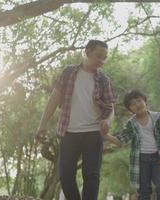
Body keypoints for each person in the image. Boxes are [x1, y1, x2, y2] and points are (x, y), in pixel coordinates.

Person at [36, 40, 115, 200]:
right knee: (65, 175)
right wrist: (42, 124)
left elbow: (110, 108)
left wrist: (108, 121)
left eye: (104, 58)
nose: (101, 61)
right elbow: (54, 98)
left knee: (91, 176)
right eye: (98, 56)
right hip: (69, 131)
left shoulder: (103, 80)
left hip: (93, 132)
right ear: (86, 52)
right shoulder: (69, 73)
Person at [100, 89, 160, 200]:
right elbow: (121, 141)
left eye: (138, 100)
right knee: (144, 192)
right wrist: (105, 136)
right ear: (130, 110)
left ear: (144, 101)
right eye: (132, 104)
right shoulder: (131, 123)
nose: (137, 105)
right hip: (141, 160)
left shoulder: (157, 117)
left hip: (158, 158)